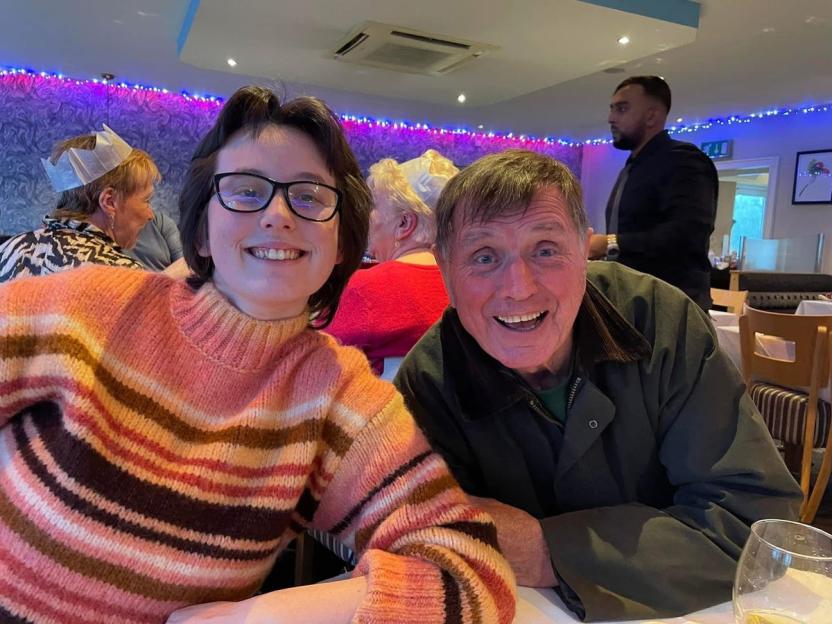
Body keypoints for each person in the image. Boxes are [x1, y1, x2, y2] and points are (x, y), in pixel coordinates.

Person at [0, 86, 515, 624]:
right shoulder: (87, 307)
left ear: (343, 243)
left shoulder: (337, 398)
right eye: (245, 191)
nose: (277, 214)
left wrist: (257, 616)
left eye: (311, 196)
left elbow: (471, 573)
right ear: (200, 231)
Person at [394, 149, 801, 622]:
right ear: (445, 268)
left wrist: (549, 552)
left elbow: (755, 524)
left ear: (585, 252)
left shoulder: (661, 324)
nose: (519, 287)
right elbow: (417, 539)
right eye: (484, 257)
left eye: (545, 249)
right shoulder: (428, 383)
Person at [588, 76, 718, 310]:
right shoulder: (633, 166)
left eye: (622, 109)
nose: (611, 118)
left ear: (651, 115)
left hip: (672, 309)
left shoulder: (684, 160)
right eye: (612, 109)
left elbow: (686, 234)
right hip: (633, 301)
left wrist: (608, 243)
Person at [326, 150, 457, 377]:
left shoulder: (362, 290)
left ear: (404, 223)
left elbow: (313, 366)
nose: (368, 218)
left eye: (374, 207)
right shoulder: (472, 289)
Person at [0, 125, 158, 282]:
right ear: (109, 202)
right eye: (146, 200)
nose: (150, 215)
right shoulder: (121, 275)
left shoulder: (9, 250)